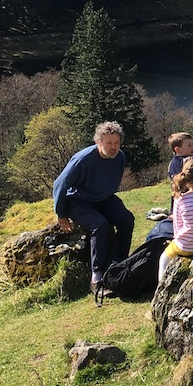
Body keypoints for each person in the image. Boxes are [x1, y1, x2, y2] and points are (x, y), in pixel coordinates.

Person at [53, 121, 135, 295]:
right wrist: (61, 213)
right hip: (78, 201)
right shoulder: (83, 159)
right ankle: (96, 278)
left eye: (116, 143)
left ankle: (119, 264)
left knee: (126, 219)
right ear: (99, 142)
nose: (113, 147)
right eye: (109, 143)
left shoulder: (119, 157)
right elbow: (60, 184)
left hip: (104, 199)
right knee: (100, 224)